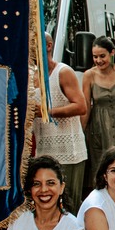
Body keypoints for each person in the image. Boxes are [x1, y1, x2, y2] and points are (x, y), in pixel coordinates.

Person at [34, 32, 88, 211]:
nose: (29, 49)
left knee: (69, 205)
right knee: (48, 206)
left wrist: (46, 112)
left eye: (33, 44)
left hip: (69, 152)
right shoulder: (30, 75)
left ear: (48, 46)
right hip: (43, 151)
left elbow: (81, 106)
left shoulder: (63, 72)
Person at [80, 37, 115, 192]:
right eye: (95, 56)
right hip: (97, 127)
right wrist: (81, 133)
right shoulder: (89, 75)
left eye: (102, 56)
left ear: (112, 53)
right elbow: (85, 106)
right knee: (100, 167)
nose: (98, 60)